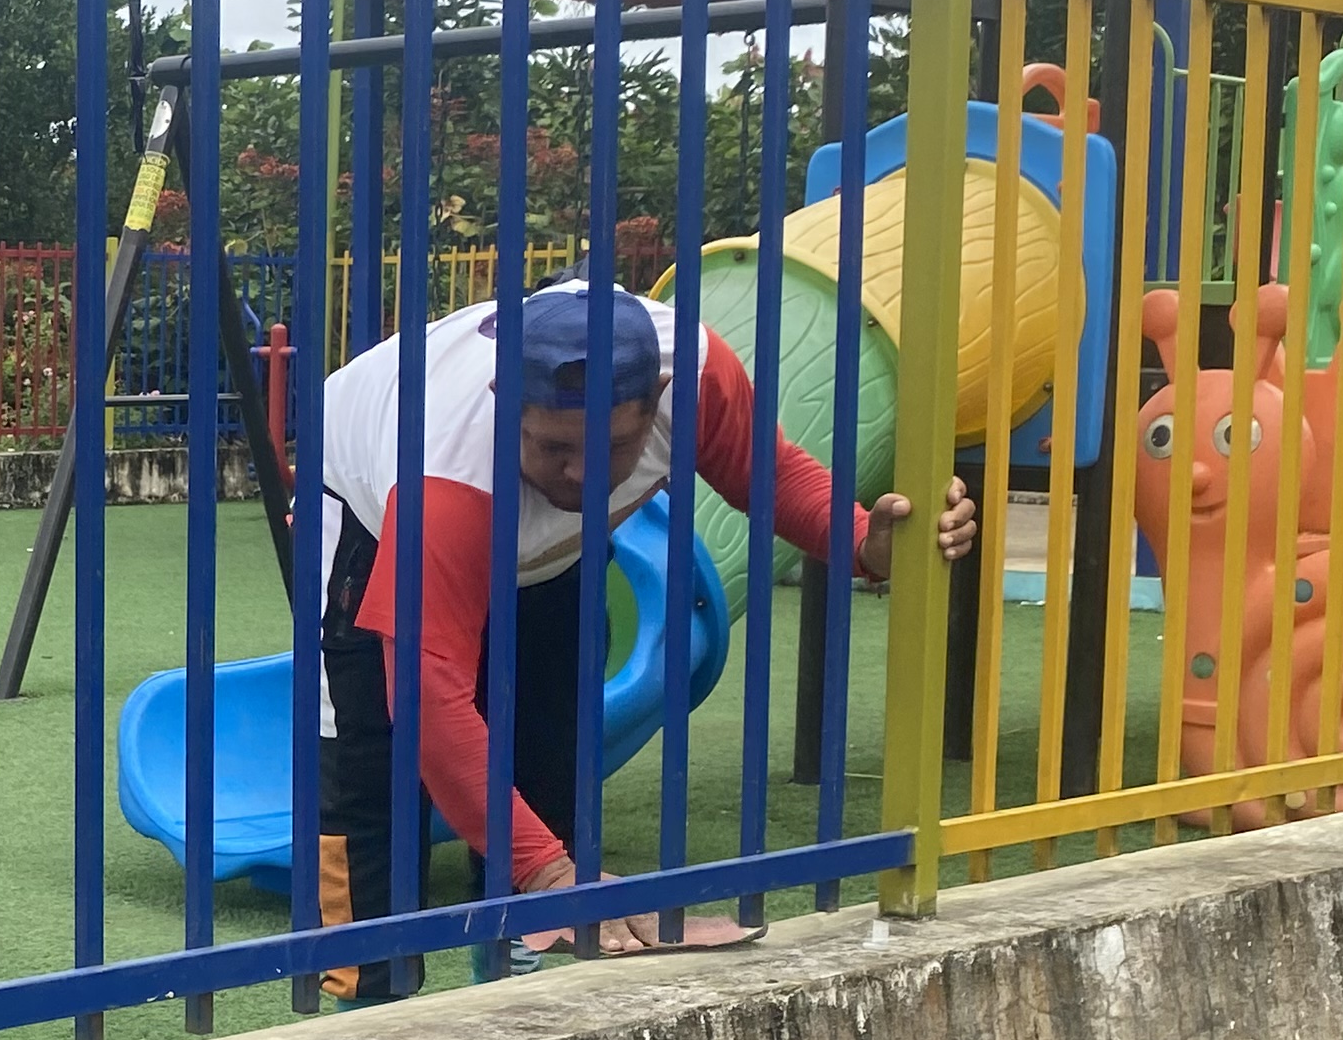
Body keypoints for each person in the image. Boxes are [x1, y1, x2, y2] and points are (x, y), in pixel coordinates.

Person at [312, 284, 975, 1000]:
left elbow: (769, 474)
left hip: (545, 549)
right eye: (556, 448)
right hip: (363, 509)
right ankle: (366, 1004)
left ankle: (515, 981)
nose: (582, 473)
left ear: (658, 399)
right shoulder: (441, 476)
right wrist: (551, 875)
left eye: (612, 448)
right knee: (376, 778)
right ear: (507, 403)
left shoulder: (694, 374)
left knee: (551, 745)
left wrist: (863, 542)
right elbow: (430, 705)